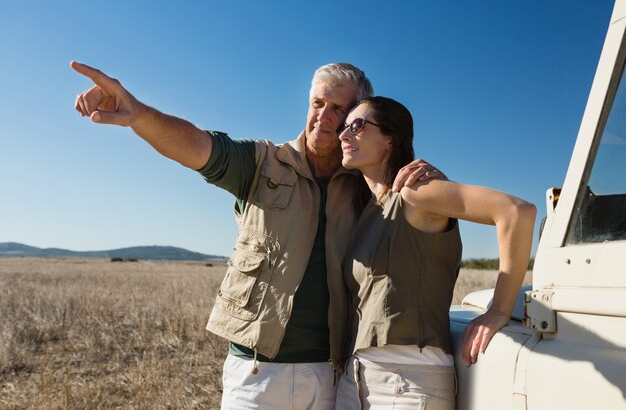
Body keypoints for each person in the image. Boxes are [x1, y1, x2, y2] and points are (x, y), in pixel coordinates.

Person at [71, 62, 444, 410]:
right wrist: (137, 113)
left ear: (356, 119)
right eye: (317, 103)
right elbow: (197, 146)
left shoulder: (368, 187)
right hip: (255, 372)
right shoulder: (262, 161)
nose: (323, 117)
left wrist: (422, 172)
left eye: (338, 109)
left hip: (332, 373)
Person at [334, 96, 536, 410]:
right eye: (343, 128)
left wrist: (498, 311)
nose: (344, 135)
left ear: (390, 138)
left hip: (409, 385)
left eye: (357, 126)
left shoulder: (417, 192)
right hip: (355, 380)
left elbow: (516, 212)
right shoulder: (369, 212)